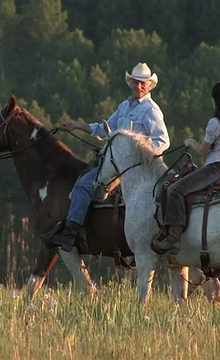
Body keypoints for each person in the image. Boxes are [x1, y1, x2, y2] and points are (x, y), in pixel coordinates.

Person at [44, 62, 170, 252]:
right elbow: (105, 129)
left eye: (143, 83)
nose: (139, 86)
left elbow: (162, 141)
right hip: (114, 162)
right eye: (136, 82)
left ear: (150, 85)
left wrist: (138, 156)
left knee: (84, 185)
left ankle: (70, 231)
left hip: (131, 168)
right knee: (83, 179)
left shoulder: (151, 110)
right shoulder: (124, 106)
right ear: (130, 83)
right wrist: (78, 126)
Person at [151, 81, 220, 255]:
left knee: (175, 190)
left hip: (216, 168)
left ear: (216, 100)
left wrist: (190, 142)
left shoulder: (216, 123)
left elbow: (203, 150)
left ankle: (173, 238)